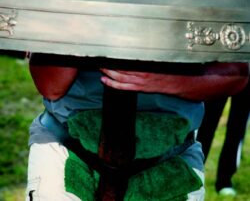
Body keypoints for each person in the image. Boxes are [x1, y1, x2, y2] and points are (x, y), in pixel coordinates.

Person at [26, 53, 249, 201]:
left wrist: (165, 80)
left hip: (170, 156)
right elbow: (51, 86)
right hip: (68, 148)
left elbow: (237, 73)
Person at [197, 78, 250, 196]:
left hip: (248, 70)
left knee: (238, 127)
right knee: (206, 124)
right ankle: (195, 173)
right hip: (220, 67)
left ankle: (225, 181)